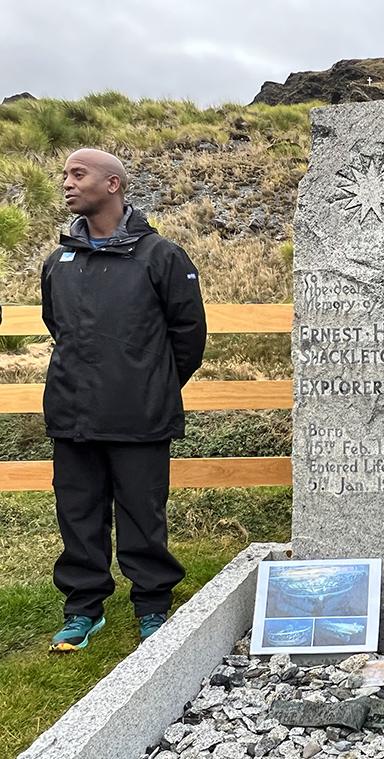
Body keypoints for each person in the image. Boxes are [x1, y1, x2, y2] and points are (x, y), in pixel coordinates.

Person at [42, 149, 206, 651]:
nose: (67, 183)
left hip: (140, 415)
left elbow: (188, 336)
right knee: (78, 513)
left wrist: (149, 385)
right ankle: (83, 609)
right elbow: (58, 327)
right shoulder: (59, 261)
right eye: (65, 174)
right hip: (72, 413)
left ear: (113, 185)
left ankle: (153, 605)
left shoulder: (162, 256)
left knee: (142, 514)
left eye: (78, 174)